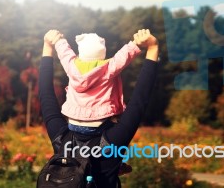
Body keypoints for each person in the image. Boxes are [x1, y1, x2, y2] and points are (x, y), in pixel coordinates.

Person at [39, 29, 159, 188]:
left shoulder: (61, 138)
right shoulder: (113, 142)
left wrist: (48, 46)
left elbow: (45, 94)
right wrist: (153, 48)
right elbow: (140, 98)